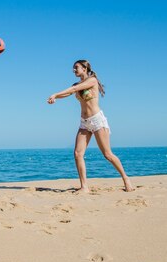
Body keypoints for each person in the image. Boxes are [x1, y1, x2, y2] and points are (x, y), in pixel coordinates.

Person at [47, 60, 133, 193]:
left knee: (107, 154)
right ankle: (84, 186)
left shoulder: (92, 81)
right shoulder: (76, 84)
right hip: (84, 122)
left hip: (97, 120)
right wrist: (57, 98)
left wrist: (55, 94)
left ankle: (126, 178)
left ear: (85, 68)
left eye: (76, 68)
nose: (74, 70)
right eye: (73, 68)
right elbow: (69, 92)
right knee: (77, 153)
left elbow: (74, 89)